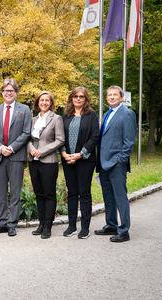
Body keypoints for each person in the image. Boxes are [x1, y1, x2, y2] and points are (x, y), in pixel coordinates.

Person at [0, 78, 31, 237]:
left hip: (16, 156)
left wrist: (11, 148)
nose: (8, 93)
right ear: (2, 92)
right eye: (6, 91)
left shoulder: (24, 109)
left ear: (16, 93)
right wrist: (0, 147)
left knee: (15, 192)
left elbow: (26, 133)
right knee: (1, 191)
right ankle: (2, 223)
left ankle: (12, 224)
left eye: (11, 91)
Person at [95, 85, 137, 242]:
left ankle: (124, 231)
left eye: (115, 95)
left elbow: (129, 142)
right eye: (109, 95)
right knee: (108, 197)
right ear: (106, 98)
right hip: (104, 164)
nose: (112, 97)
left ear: (121, 97)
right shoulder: (107, 114)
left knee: (120, 198)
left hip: (117, 164)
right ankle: (111, 225)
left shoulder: (127, 114)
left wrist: (120, 161)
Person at [60, 87, 99, 239]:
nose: (78, 98)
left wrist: (80, 154)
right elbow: (60, 136)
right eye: (75, 96)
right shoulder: (65, 116)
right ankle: (71, 226)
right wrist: (64, 153)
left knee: (84, 192)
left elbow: (94, 137)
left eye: (81, 96)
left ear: (86, 99)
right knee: (72, 192)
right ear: (71, 98)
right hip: (67, 159)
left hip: (85, 159)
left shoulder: (91, 115)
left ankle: (85, 227)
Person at [27, 91, 65, 239]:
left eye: (47, 100)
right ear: (38, 103)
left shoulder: (56, 119)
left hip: (48, 161)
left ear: (51, 103)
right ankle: (41, 224)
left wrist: (41, 152)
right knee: (39, 193)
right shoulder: (32, 120)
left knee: (49, 194)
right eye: (41, 100)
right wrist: (31, 150)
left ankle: (48, 226)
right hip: (33, 162)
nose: (44, 102)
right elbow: (28, 139)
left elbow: (60, 140)